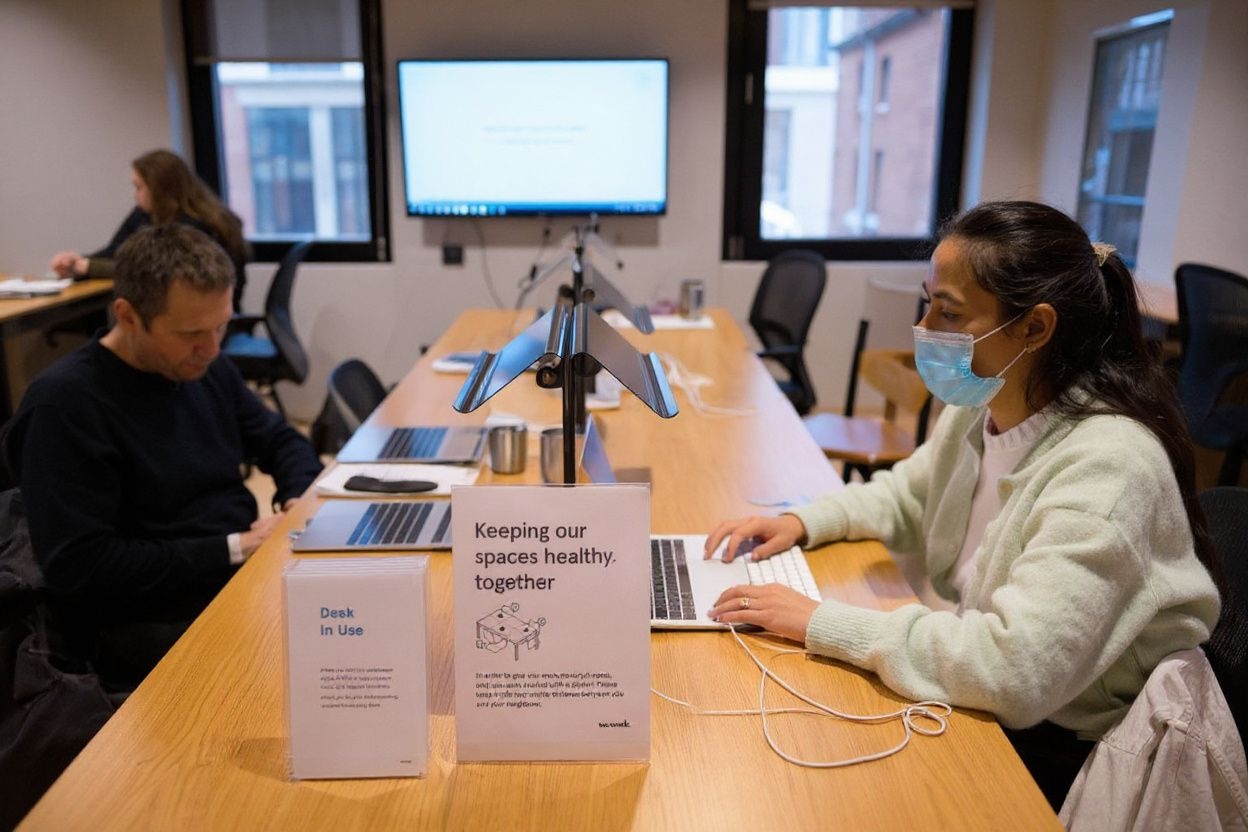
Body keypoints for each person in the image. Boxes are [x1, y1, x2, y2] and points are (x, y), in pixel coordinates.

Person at [704, 200, 1221, 809]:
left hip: (1071, 746)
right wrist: (801, 521)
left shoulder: (1109, 466)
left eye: (948, 311)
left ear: (1034, 327)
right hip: (1004, 696)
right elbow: (910, 493)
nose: (925, 326)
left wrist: (820, 621)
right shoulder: (985, 407)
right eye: (928, 302)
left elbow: (1016, 670)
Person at [6, 223, 322, 692]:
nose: (213, 349)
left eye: (222, 326)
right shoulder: (65, 406)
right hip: (142, 617)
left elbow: (280, 439)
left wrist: (298, 497)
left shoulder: (201, 365)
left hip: (226, 579)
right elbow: (82, 566)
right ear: (127, 316)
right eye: (192, 333)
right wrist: (233, 546)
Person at [49, 149, 250, 311]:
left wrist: (89, 267)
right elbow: (116, 253)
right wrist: (77, 263)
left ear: (160, 189)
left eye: (139, 187)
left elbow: (160, 274)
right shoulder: (144, 215)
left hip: (207, 317)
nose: (134, 195)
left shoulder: (196, 226)